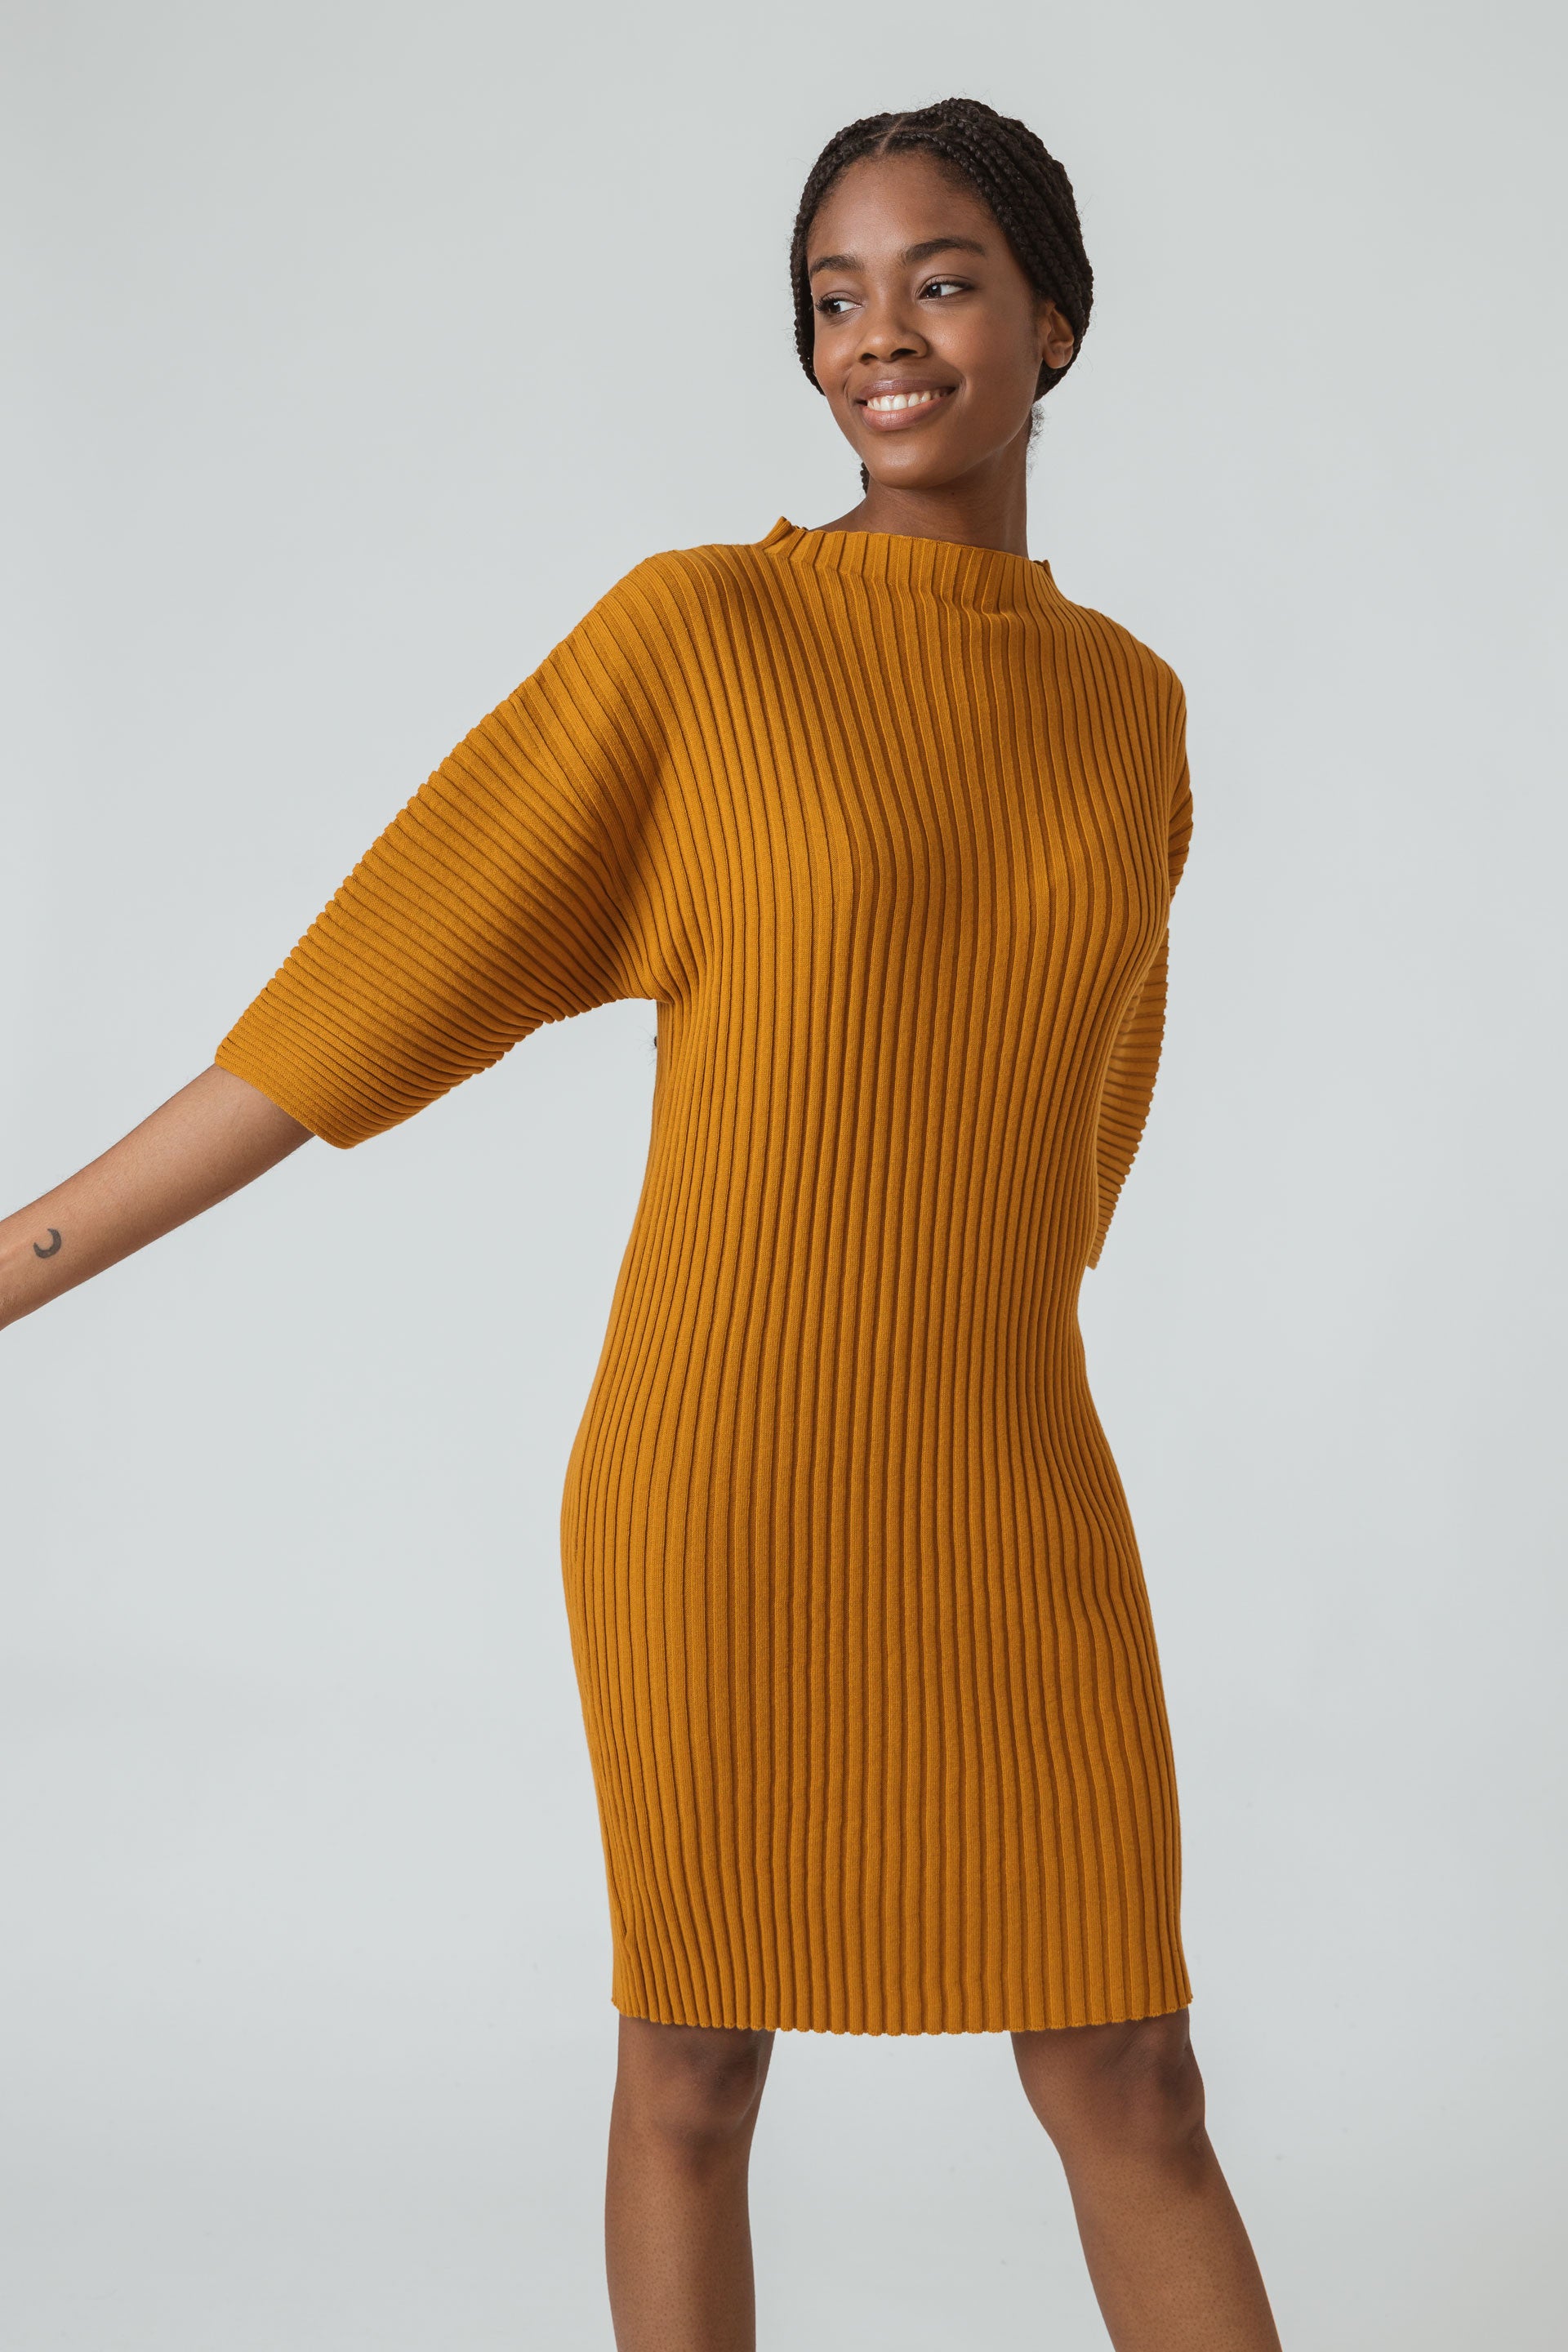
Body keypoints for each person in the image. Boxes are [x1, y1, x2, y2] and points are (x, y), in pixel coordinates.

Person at [0, 96, 1283, 2352]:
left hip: (1004, 1466)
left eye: (944, 280)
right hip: (725, 1472)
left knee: (1136, 2076)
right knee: (695, 2070)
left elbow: (1078, 1125)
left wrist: (969, 1335)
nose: (881, 338)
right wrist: (24, 1259)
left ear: (1059, 323)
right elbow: (370, 991)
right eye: (834, 298)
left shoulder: (1130, 711)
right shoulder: (705, 637)